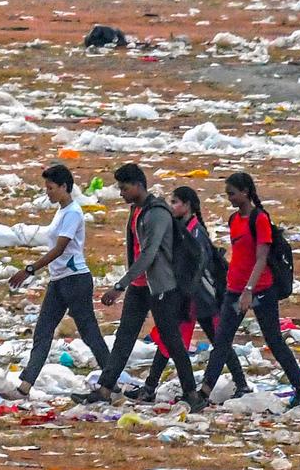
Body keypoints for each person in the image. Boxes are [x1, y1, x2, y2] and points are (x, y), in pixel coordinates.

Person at [71, 164, 208, 412]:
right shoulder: (137, 210)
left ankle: (192, 394)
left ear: (138, 185)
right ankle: (103, 389)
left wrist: (119, 285)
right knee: (124, 338)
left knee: (172, 341)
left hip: (161, 286)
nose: (121, 193)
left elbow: (149, 254)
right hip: (140, 284)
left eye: (124, 188)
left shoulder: (157, 213)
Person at [197, 173, 300, 409]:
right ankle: (204, 393)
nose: (229, 198)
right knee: (222, 341)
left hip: (260, 290)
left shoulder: (259, 219)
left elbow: (261, 258)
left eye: (232, 193)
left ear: (245, 192)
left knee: (273, 340)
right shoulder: (233, 219)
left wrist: (249, 290)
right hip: (235, 289)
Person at [129, 186, 251, 403]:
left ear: (187, 206)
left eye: (175, 202)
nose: (171, 206)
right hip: (195, 297)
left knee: (199, 340)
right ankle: (150, 386)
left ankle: (239, 383)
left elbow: (197, 267)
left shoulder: (195, 232)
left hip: (200, 298)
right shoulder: (186, 228)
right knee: (177, 339)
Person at [4, 165, 113, 399]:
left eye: (51, 188)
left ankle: (111, 381)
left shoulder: (73, 212)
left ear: (64, 187)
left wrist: (30, 269)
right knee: (42, 333)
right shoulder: (61, 211)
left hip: (75, 280)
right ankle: (25, 386)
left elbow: (61, 247)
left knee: (89, 332)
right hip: (59, 280)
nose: (48, 193)